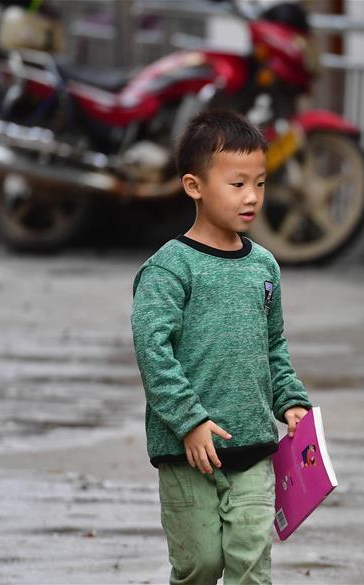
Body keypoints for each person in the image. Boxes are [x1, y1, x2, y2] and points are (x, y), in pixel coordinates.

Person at [131, 109, 311, 584]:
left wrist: (290, 401)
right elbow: (153, 351)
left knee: (251, 565)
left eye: (260, 183)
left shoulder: (264, 266)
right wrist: (189, 422)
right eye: (237, 184)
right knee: (200, 565)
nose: (252, 196)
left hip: (253, 446)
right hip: (186, 450)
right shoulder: (169, 268)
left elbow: (273, 345)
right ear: (194, 186)